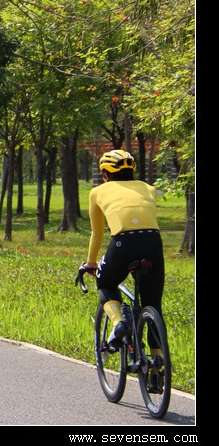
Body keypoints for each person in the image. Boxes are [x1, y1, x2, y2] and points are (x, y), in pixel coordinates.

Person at [82, 149, 165, 392]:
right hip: (153, 242)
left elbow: (98, 233)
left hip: (122, 243)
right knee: (153, 305)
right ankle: (158, 369)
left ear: (105, 175)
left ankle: (119, 323)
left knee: (106, 284)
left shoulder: (98, 192)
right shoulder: (149, 188)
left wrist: (91, 263)